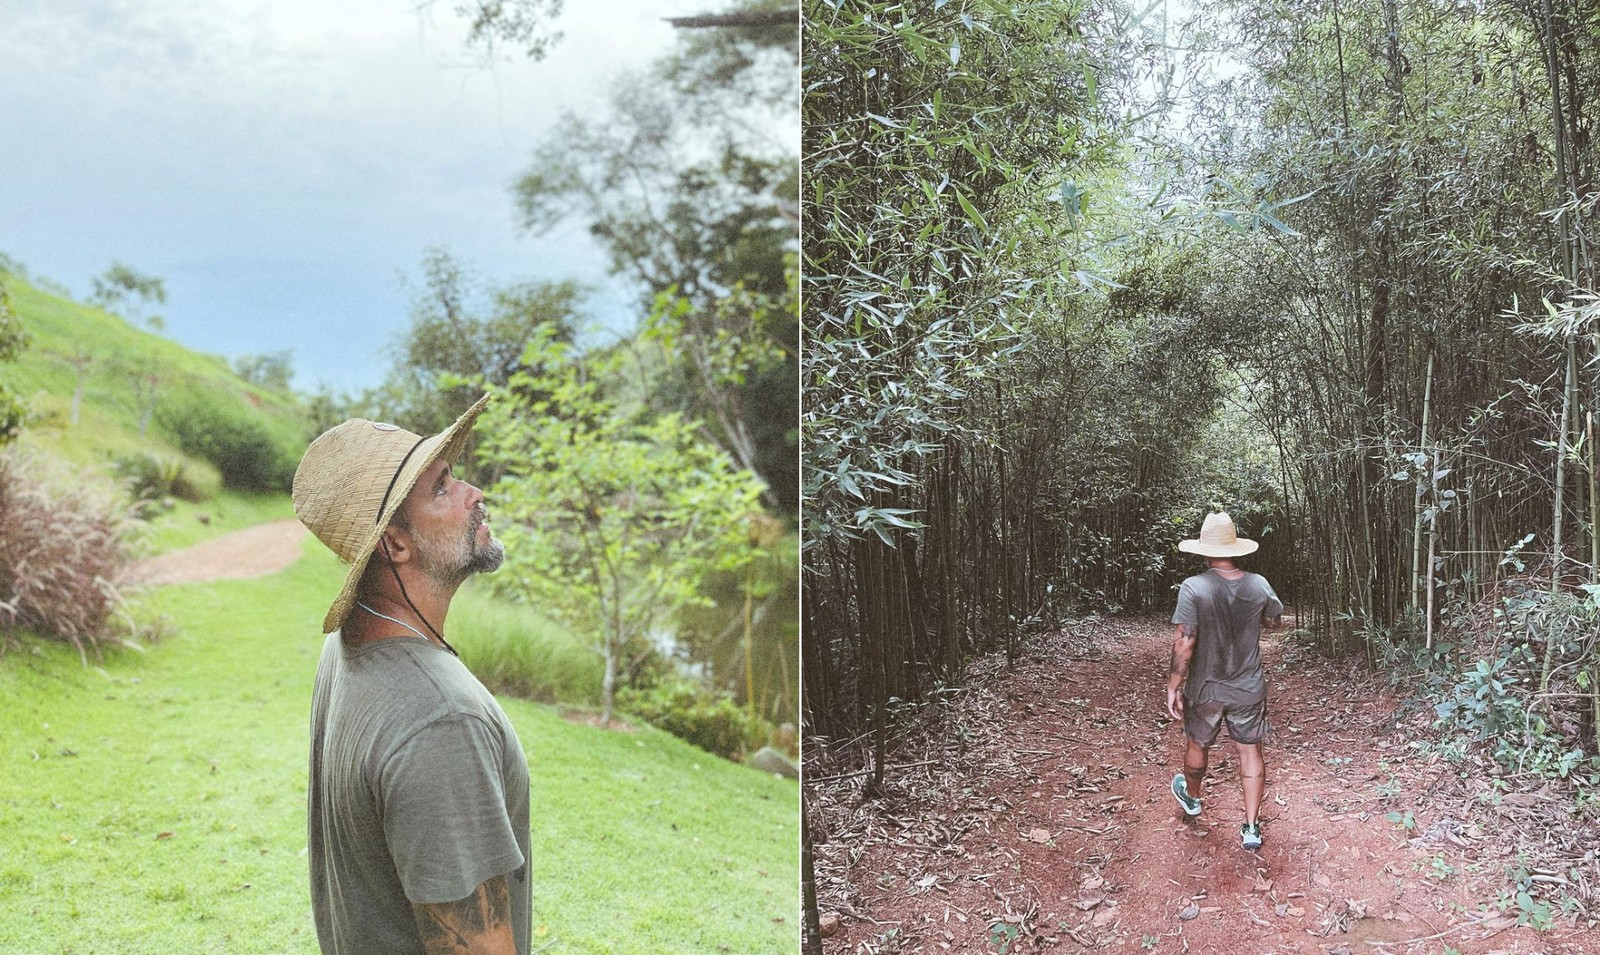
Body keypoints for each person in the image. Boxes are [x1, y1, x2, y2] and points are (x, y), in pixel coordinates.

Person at [292, 394, 531, 955]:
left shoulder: (348, 645)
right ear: (395, 544)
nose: (476, 495)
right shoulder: (441, 723)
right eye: (443, 488)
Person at [1165, 511, 1283, 850]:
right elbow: (1274, 621)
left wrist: (1174, 683)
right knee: (1250, 752)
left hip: (1206, 687)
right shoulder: (1258, 583)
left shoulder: (1194, 587)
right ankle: (1250, 828)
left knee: (1197, 743)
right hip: (1247, 686)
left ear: (1204, 550)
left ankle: (1193, 797)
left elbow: (1185, 640)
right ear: (1235, 548)